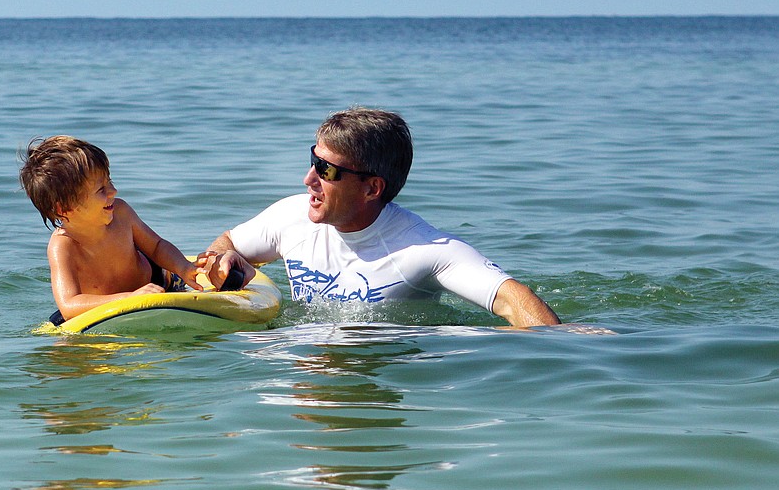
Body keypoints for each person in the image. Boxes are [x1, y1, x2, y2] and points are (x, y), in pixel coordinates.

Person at [201, 107, 560, 328]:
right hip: (306, 370)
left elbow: (518, 303)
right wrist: (225, 259)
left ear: (372, 188)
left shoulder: (423, 249)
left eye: (326, 170)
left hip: (385, 368)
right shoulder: (290, 216)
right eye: (313, 160)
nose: (308, 179)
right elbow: (228, 242)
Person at [19, 135, 205, 323]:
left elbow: (156, 246)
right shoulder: (63, 245)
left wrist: (183, 266)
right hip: (109, 302)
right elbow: (68, 305)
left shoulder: (121, 213)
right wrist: (129, 298)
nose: (113, 191)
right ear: (64, 208)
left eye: (110, 181)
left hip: (156, 283)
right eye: (101, 189)